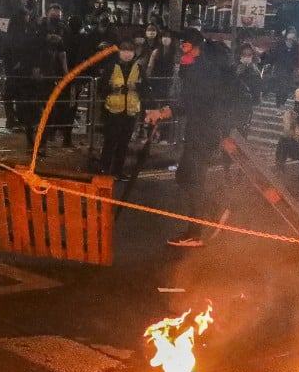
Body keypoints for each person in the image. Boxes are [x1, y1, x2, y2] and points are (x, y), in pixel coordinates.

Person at [151, 28, 234, 247]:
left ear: (195, 45)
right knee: (187, 176)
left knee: (191, 177)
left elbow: (189, 102)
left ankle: (198, 229)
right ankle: (210, 216)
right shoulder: (204, 66)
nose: (181, 47)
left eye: (184, 44)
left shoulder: (201, 69)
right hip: (203, 130)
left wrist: (164, 112)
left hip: (203, 131)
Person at [99, 40, 146, 177]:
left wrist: (137, 87)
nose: (127, 53)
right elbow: (101, 86)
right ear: (119, 51)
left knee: (124, 143)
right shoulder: (111, 67)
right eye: (124, 50)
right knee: (110, 141)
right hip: (113, 111)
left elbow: (147, 88)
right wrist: (111, 88)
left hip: (130, 112)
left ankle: (118, 171)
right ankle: (104, 169)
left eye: (130, 50)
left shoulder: (138, 69)